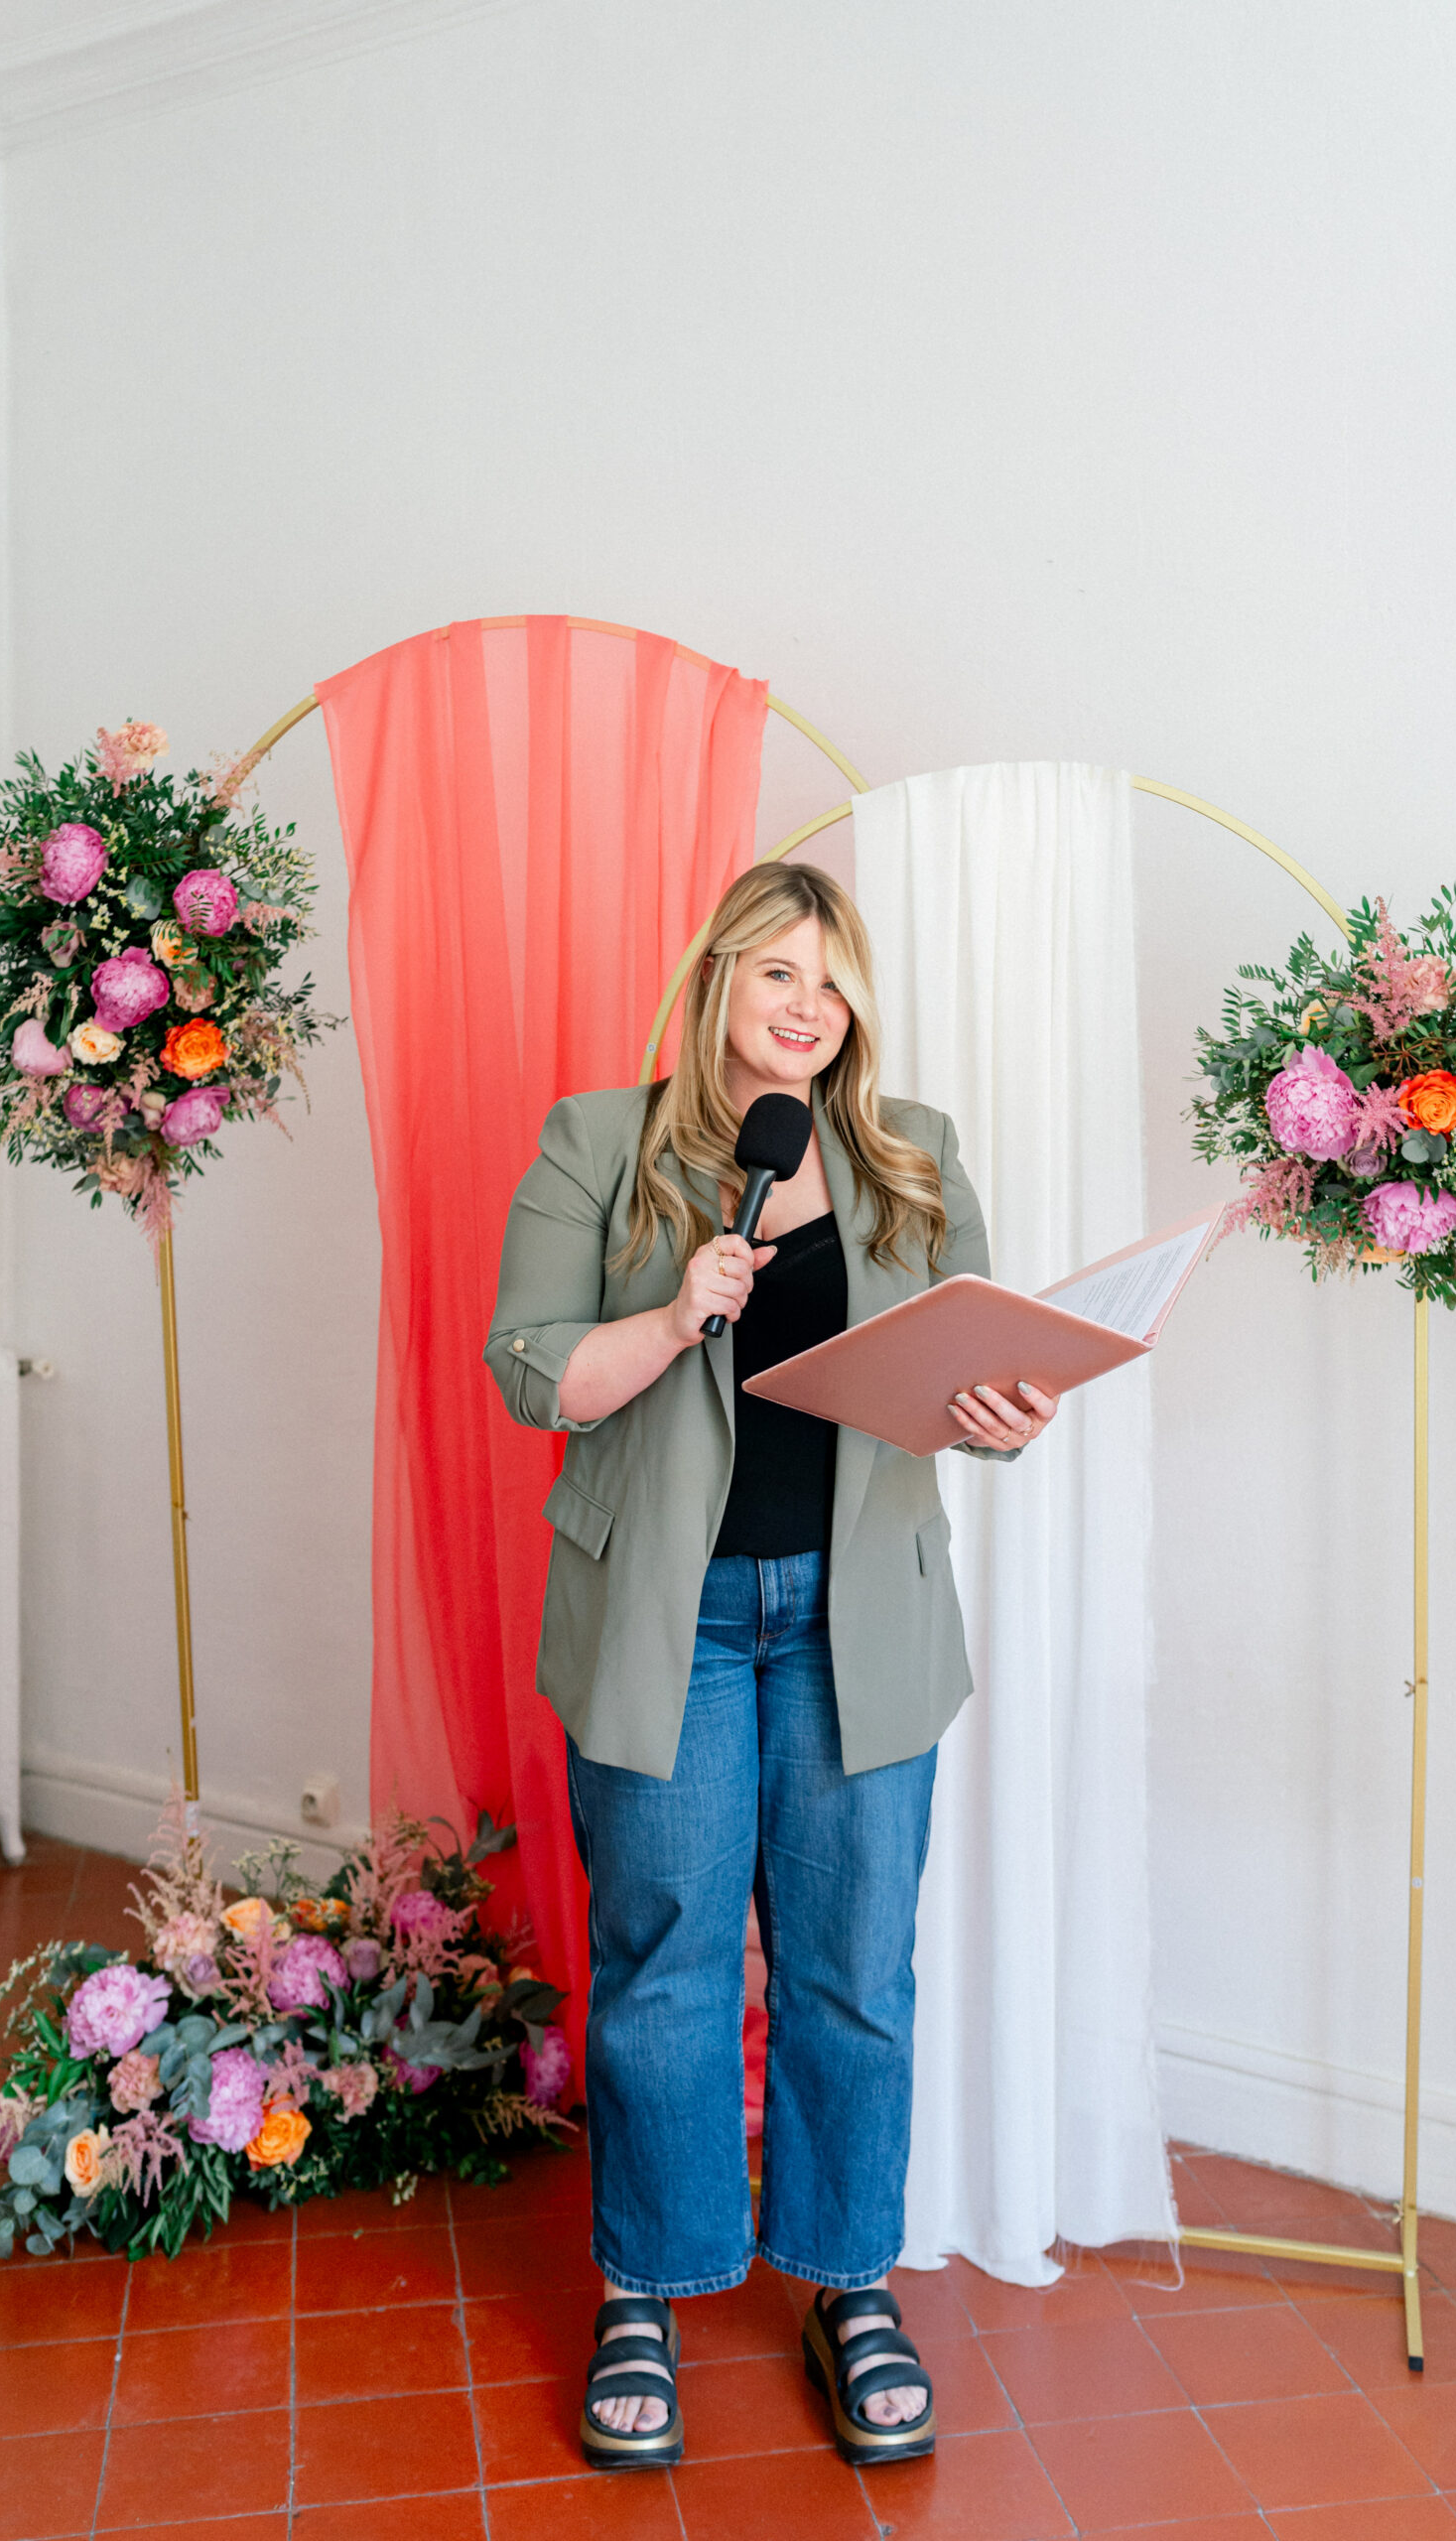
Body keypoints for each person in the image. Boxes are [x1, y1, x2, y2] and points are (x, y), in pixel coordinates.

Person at [485, 862, 1056, 2471]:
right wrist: (677, 1317)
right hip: (668, 1623)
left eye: (833, 978)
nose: (809, 1006)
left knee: (853, 1967)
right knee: (664, 1966)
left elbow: (968, 1382)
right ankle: (647, 2289)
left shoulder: (912, 1152)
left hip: (856, 1619)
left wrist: (1004, 1416)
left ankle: (847, 2284)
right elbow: (536, 1377)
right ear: (718, 982)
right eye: (778, 972)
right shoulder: (599, 1142)